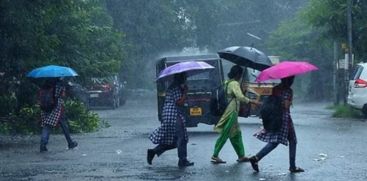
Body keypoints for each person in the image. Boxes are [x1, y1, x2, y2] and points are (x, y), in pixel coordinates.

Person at [250, 76, 304, 173]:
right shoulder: (288, 91)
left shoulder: (275, 89)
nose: (292, 82)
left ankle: (257, 158)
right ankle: (257, 158)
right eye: (291, 80)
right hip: (284, 119)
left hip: (275, 118)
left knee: (282, 141)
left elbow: (271, 103)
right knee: (288, 141)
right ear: (289, 80)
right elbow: (287, 106)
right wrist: (287, 103)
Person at [211, 65, 259, 164]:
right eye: (240, 74)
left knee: (236, 134)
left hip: (232, 111)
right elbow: (240, 97)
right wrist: (252, 101)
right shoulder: (234, 83)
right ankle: (215, 155)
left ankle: (241, 155)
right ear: (238, 74)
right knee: (225, 133)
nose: (241, 76)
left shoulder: (227, 82)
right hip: (231, 112)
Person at [147, 73, 194, 168]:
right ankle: (182, 160)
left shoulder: (174, 87)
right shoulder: (176, 88)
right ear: (181, 78)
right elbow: (179, 102)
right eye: (185, 77)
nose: (186, 79)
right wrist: (185, 93)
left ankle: (154, 151)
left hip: (169, 114)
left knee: (174, 140)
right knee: (181, 138)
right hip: (173, 114)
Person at [40, 78, 78, 152]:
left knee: (47, 125)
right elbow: (63, 95)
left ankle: (43, 144)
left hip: (45, 109)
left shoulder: (44, 85)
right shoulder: (59, 85)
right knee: (64, 126)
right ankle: (70, 143)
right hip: (57, 109)